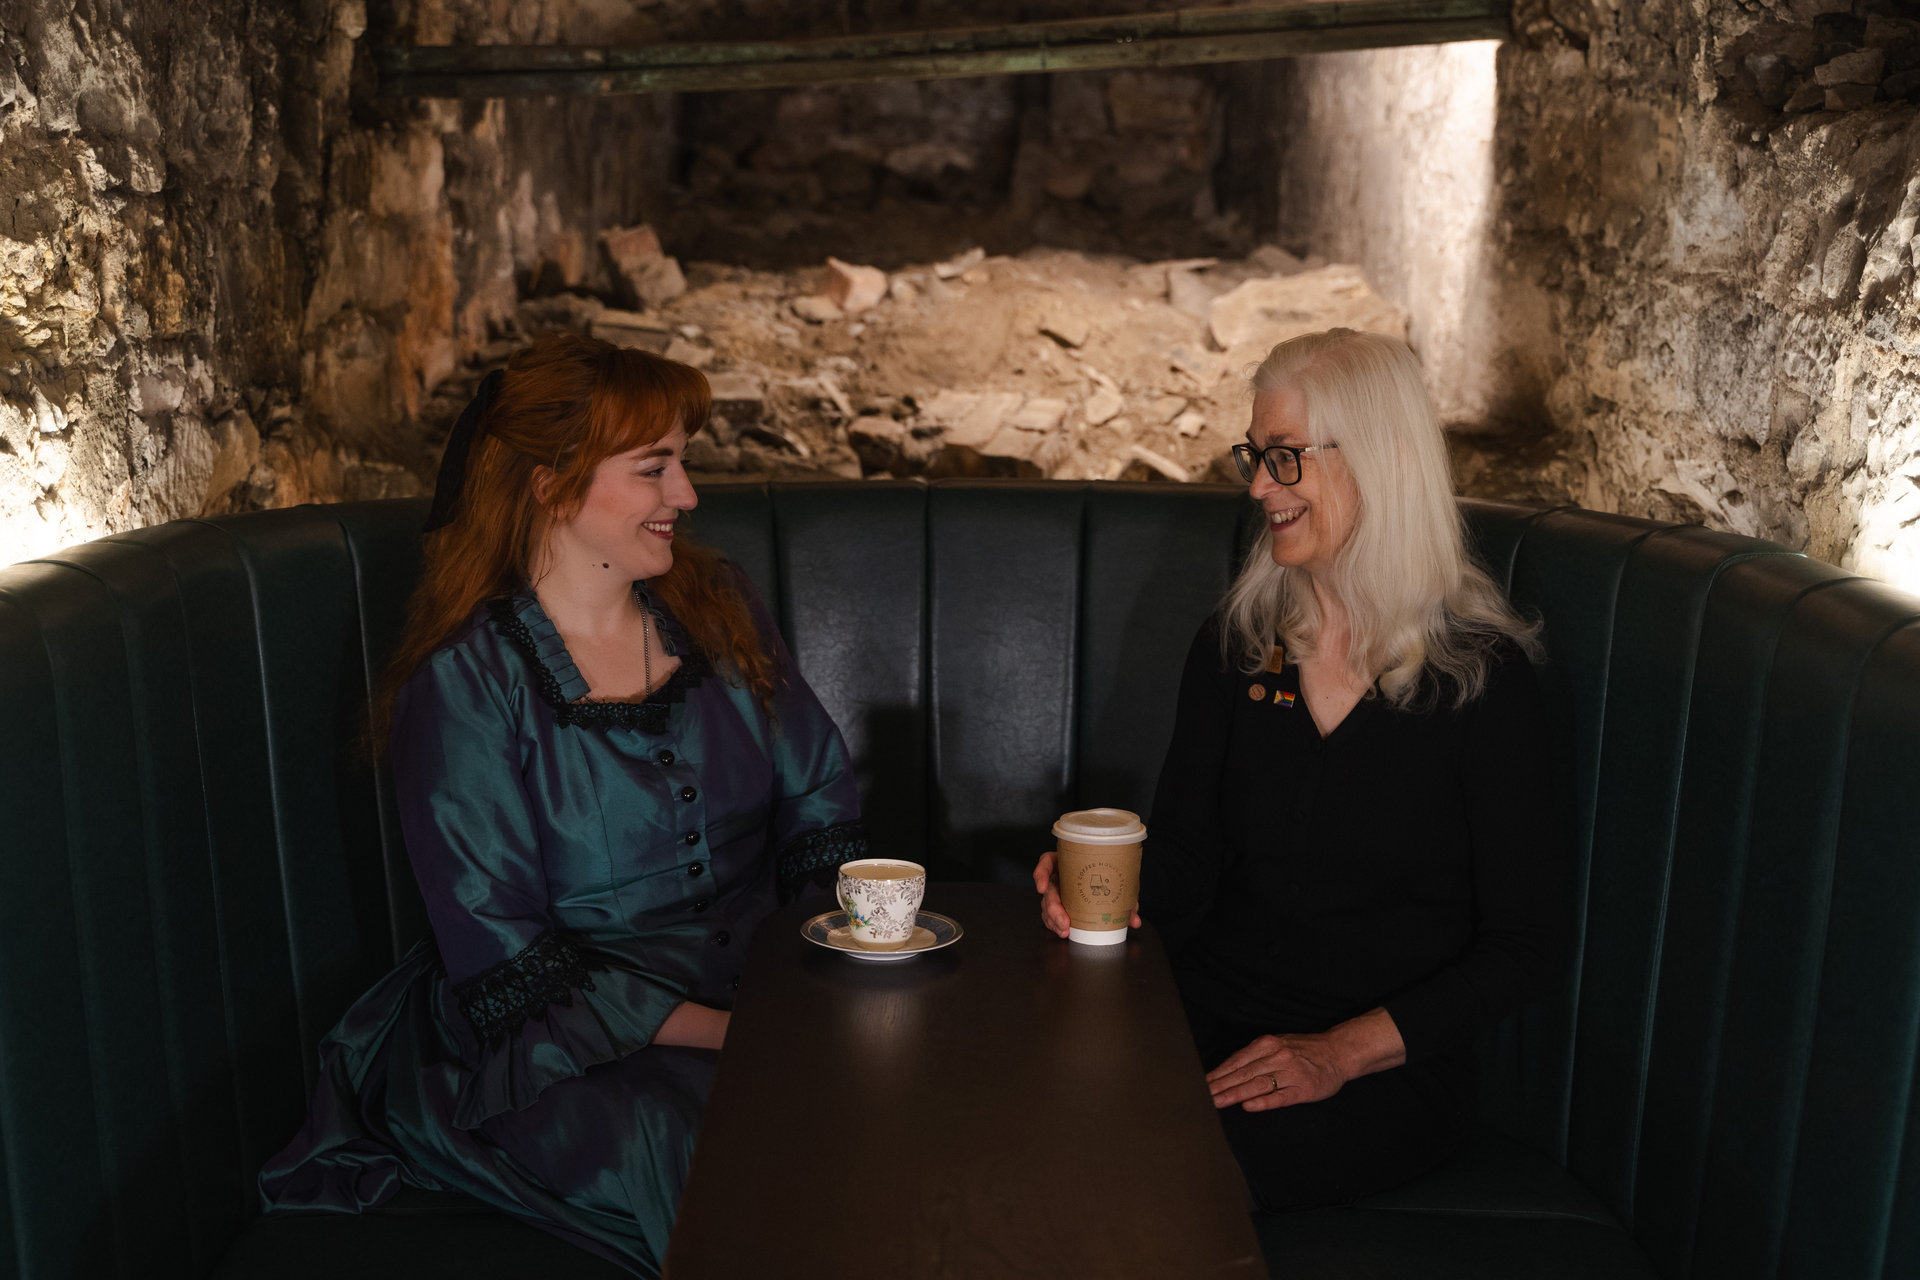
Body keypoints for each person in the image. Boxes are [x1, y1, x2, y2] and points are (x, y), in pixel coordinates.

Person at [258, 332, 867, 1275]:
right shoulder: (466, 681)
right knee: (706, 1151)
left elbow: (818, 797)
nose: (686, 495)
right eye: (654, 468)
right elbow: (505, 949)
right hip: (563, 1042)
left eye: (682, 464)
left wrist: (828, 969)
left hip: (768, 983)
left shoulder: (719, 605)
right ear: (550, 485)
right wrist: (741, 1035)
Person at [1034, 327, 1571, 1210]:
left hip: (1380, 1073)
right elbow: (1187, 866)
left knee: (1156, 1181)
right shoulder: (1238, 644)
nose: (1257, 487)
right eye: (1255, 456)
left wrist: (1338, 1053)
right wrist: (1097, 890)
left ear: (1382, 460)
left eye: (1284, 457)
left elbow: (1528, 944)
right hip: (1204, 1016)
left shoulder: (1481, 677)